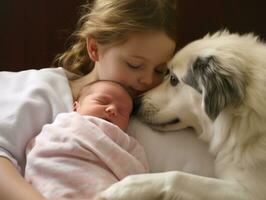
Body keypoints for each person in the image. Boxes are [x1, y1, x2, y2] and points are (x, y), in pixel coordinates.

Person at [0, 0, 176, 199]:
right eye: (134, 65)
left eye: (160, 70)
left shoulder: (147, 110)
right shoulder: (43, 92)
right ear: (94, 48)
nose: (147, 79)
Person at [24, 80, 149, 199]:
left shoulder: (126, 140)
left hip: (100, 188)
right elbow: (39, 146)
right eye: (102, 101)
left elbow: (139, 176)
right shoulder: (65, 122)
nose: (112, 110)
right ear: (75, 107)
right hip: (56, 177)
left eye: (122, 111)